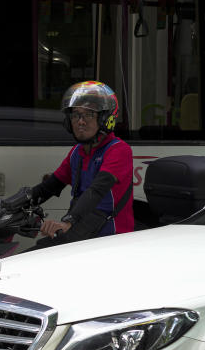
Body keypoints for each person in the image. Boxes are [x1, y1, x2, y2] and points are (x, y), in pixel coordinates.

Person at [30, 81, 134, 248]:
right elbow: (49, 186)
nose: (80, 121)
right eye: (76, 115)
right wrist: (12, 205)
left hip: (111, 241)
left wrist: (69, 221)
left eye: (89, 114)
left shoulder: (119, 150)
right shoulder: (77, 152)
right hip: (83, 234)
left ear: (105, 118)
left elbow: (97, 190)